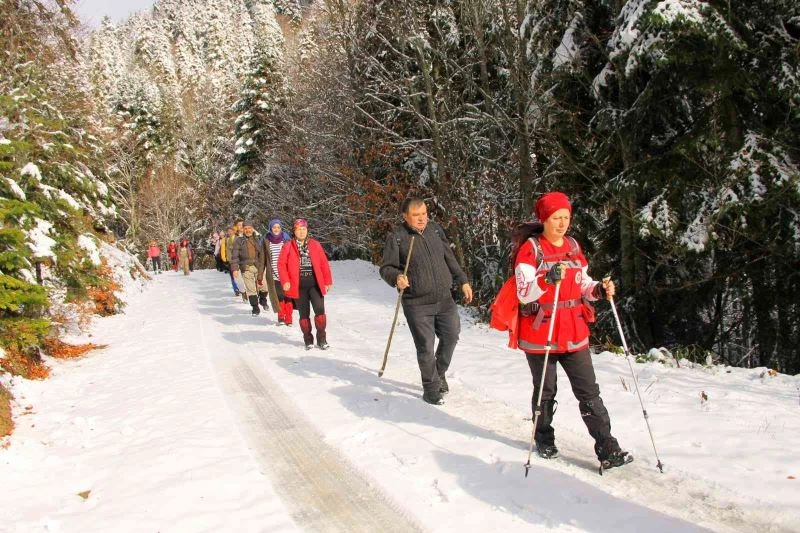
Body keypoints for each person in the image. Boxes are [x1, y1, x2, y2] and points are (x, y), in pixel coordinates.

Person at [511, 191, 629, 469]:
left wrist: (599, 290)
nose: (562, 223)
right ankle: (543, 437)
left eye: (566, 217)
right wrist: (547, 279)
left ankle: (608, 448)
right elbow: (524, 292)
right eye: (556, 218)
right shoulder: (531, 249)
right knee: (546, 390)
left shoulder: (573, 246)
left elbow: (583, 284)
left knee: (589, 392)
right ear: (544, 219)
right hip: (541, 332)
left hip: (574, 330)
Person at [379, 197, 473, 405]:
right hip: (417, 303)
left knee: (451, 336)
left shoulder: (435, 230)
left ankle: (439, 373)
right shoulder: (397, 237)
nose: (422, 218)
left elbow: (449, 258)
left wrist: (463, 280)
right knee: (425, 347)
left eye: (424, 213)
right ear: (405, 216)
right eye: (416, 215)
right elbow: (386, 268)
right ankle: (431, 388)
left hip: (444, 298)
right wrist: (397, 277)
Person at [278, 219, 333, 349]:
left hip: (315, 284)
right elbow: (281, 264)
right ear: (294, 231)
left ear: (307, 230)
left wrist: (327, 281)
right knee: (304, 314)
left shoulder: (315, 244)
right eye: (299, 229)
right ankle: (308, 339)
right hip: (298, 286)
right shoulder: (288, 246)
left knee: (320, 311)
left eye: (304, 229)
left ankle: (322, 339)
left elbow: (324, 263)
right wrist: (285, 281)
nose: (302, 232)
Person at [258, 219, 293, 324]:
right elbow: (262, 259)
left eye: (278, 227)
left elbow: (293, 257)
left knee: (288, 296)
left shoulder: (287, 240)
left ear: (281, 228)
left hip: (287, 273)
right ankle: (281, 316)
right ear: (270, 228)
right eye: (274, 227)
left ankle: (289, 318)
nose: (276, 229)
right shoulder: (266, 240)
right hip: (273, 273)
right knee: (279, 296)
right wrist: (260, 276)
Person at [229, 221, 265, 316]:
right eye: (245, 228)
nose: (248, 230)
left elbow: (263, 253)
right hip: (246, 267)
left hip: (259, 266)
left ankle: (263, 298)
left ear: (253, 229)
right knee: (250, 288)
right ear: (243, 229)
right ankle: (255, 307)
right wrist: (235, 269)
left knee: (263, 286)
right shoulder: (239, 240)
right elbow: (234, 256)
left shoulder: (259, 238)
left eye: (249, 228)